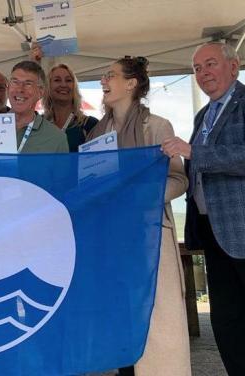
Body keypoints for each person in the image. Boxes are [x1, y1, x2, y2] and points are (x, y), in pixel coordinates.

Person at [162, 41, 245, 376]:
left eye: (210, 64)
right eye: (196, 68)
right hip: (218, 242)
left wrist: (194, 152)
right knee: (233, 334)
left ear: (233, 67)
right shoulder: (203, 115)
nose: (203, 73)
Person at [86, 56, 191, 376]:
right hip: (109, 240)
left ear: (131, 83)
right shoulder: (95, 134)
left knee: (155, 328)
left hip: (148, 240)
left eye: (110, 75)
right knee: (119, 323)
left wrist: (140, 198)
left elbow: (179, 179)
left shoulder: (157, 126)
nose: (103, 81)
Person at [30, 44, 99, 152]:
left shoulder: (90, 124)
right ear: (48, 86)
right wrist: (35, 64)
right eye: (57, 80)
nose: (63, 85)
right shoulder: (39, 123)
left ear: (74, 87)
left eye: (68, 80)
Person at [8, 60, 69, 153]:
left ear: (40, 92)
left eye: (28, 84)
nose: (20, 89)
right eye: (15, 82)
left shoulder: (56, 138)